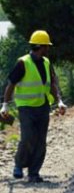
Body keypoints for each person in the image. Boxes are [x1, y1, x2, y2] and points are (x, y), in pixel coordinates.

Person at [0, 30, 66, 183]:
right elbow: (11, 85)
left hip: (43, 106)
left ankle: (34, 173)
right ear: (39, 46)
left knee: (41, 141)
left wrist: (59, 101)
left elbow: (52, 85)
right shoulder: (23, 62)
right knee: (28, 137)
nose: (48, 49)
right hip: (26, 107)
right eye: (46, 46)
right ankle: (19, 164)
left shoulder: (47, 63)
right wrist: (5, 105)